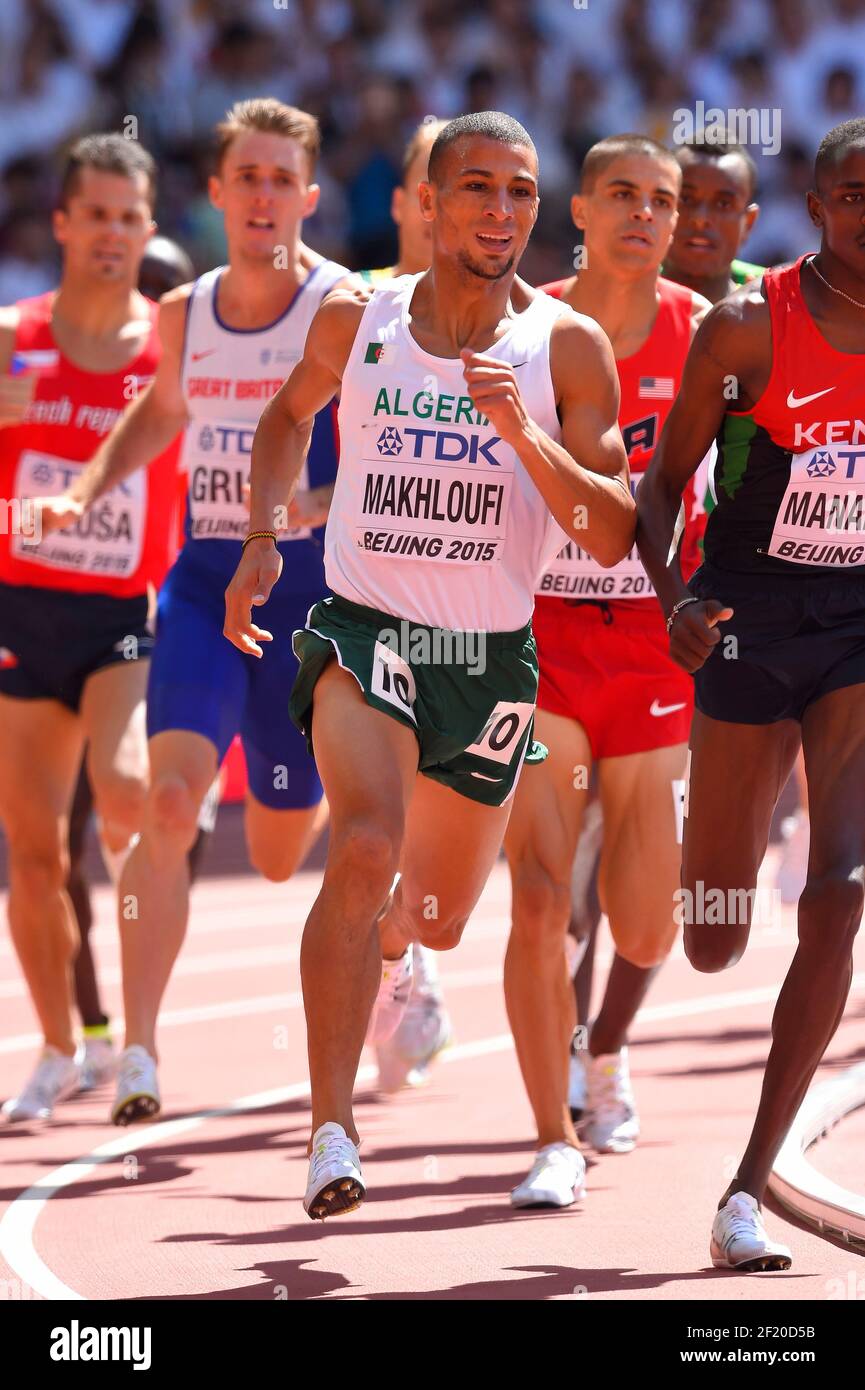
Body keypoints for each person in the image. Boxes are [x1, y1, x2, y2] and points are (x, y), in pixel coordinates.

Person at [224, 110, 636, 1220]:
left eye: (519, 193)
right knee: (360, 843)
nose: (499, 212)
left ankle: (404, 949)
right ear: (426, 201)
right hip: (365, 628)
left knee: (442, 912)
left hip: (488, 657)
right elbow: (281, 424)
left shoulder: (564, 347)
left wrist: (525, 437)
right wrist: (265, 538)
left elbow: (607, 531)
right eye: (476, 188)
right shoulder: (359, 316)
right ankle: (330, 1129)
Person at [40, 99, 353, 1125]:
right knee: (169, 804)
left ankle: (396, 971)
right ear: (215, 194)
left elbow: (381, 448)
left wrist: (309, 508)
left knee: (274, 850)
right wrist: (84, 493)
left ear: (308, 197)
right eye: (245, 179)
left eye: (281, 180)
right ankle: (138, 1051)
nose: (263, 197)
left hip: (309, 601)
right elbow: (161, 413)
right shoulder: (188, 313)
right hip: (203, 584)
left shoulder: (343, 310)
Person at [637, 117, 865, 1271]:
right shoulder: (746, 328)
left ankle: (743, 1185)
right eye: (855, 195)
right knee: (714, 936)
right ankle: (712, 839)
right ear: (817, 203)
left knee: (841, 892)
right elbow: (659, 488)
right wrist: (672, 597)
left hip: (855, 633)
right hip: (743, 623)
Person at [504, 134, 711, 1208]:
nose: (643, 213)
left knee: (642, 922)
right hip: (538, 638)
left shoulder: (707, 333)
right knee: (539, 900)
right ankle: (551, 1133)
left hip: (654, 649)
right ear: (577, 210)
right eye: (621, 194)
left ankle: (607, 1052)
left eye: (662, 200)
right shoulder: (524, 322)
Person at [0, 134, 180, 1122]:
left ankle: (140, 1032)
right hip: (21, 611)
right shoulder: (13, 338)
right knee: (32, 856)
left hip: (121, 611)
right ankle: (62, 1048)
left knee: (124, 793)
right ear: (61, 223)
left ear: (148, 229)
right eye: (94, 215)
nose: (111, 234)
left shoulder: (171, 344)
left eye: (129, 217)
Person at [68, 234, 202, 1095]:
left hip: (161, 632)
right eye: (143, 284)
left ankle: (130, 1011)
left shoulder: (199, 387)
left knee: (150, 819)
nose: (154, 299)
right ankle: (88, 1030)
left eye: (170, 287)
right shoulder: (65, 362)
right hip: (61, 622)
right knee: (47, 843)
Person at [359, 116, 453, 1094]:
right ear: (403, 202)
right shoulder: (358, 310)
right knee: (358, 819)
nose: (450, 203)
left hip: (470, 609)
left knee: (433, 821)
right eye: (431, 183)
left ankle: (406, 950)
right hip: (354, 596)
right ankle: (396, 963)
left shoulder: (525, 321)